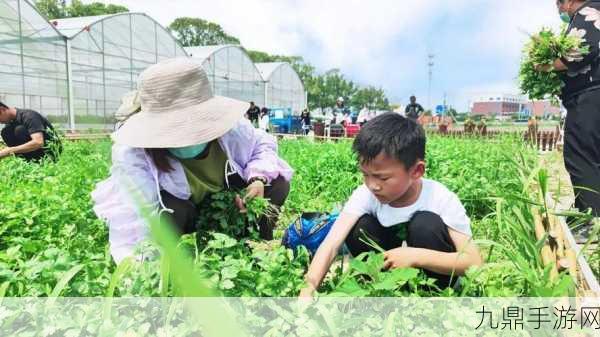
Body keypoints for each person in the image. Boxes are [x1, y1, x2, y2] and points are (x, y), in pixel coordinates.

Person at [91, 58, 294, 263]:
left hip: (226, 208)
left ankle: (258, 240)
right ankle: (176, 256)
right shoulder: (134, 154)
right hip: (184, 215)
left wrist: (257, 179)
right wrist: (138, 271)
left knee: (277, 184)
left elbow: (263, 146)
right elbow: (134, 215)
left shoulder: (232, 130)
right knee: (171, 210)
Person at [299, 113, 482, 297]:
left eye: (382, 177)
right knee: (360, 227)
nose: (373, 185)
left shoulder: (440, 198)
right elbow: (330, 245)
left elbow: (474, 262)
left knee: (425, 224)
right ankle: (378, 286)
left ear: (416, 171)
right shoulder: (365, 194)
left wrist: (415, 256)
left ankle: (430, 296)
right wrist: (308, 290)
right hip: (386, 278)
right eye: (365, 174)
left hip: (434, 281)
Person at [542, 0, 600, 241]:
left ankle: (592, 220)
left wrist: (545, 66)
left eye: (560, 4)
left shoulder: (589, 12)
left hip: (589, 96)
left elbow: (580, 52)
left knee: (580, 156)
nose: (560, 10)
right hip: (591, 95)